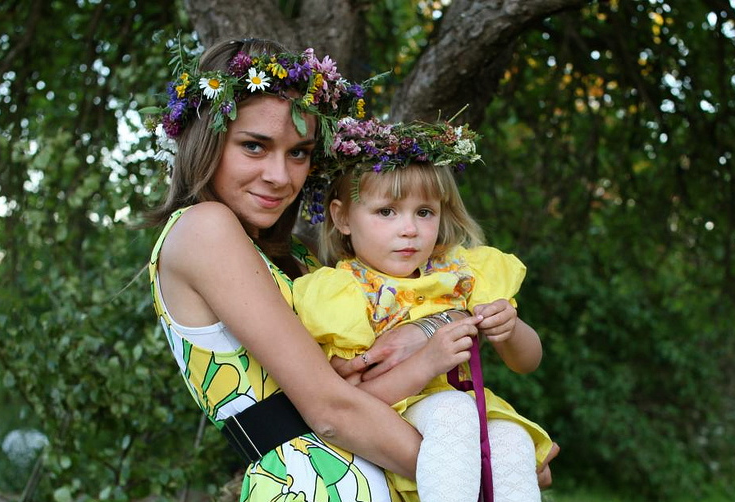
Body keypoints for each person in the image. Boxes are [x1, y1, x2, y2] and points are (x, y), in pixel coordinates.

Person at [142, 38, 490, 501]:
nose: (280, 176)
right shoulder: (204, 229)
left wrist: (431, 329)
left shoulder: (301, 261)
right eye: (254, 146)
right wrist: (491, 474)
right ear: (207, 142)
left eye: (299, 153)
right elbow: (330, 410)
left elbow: (432, 303)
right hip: (307, 486)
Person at [292, 117, 554, 502]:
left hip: (468, 408)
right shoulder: (343, 292)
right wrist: (426, 364)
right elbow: (349, 400)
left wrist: (510, 330)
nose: (409, 229)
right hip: (396, 418)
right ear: (342, 217)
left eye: (424, 212)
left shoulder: (460, 273)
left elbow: (527, 361)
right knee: (452, 411)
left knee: (512, 439)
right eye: (387, 212)